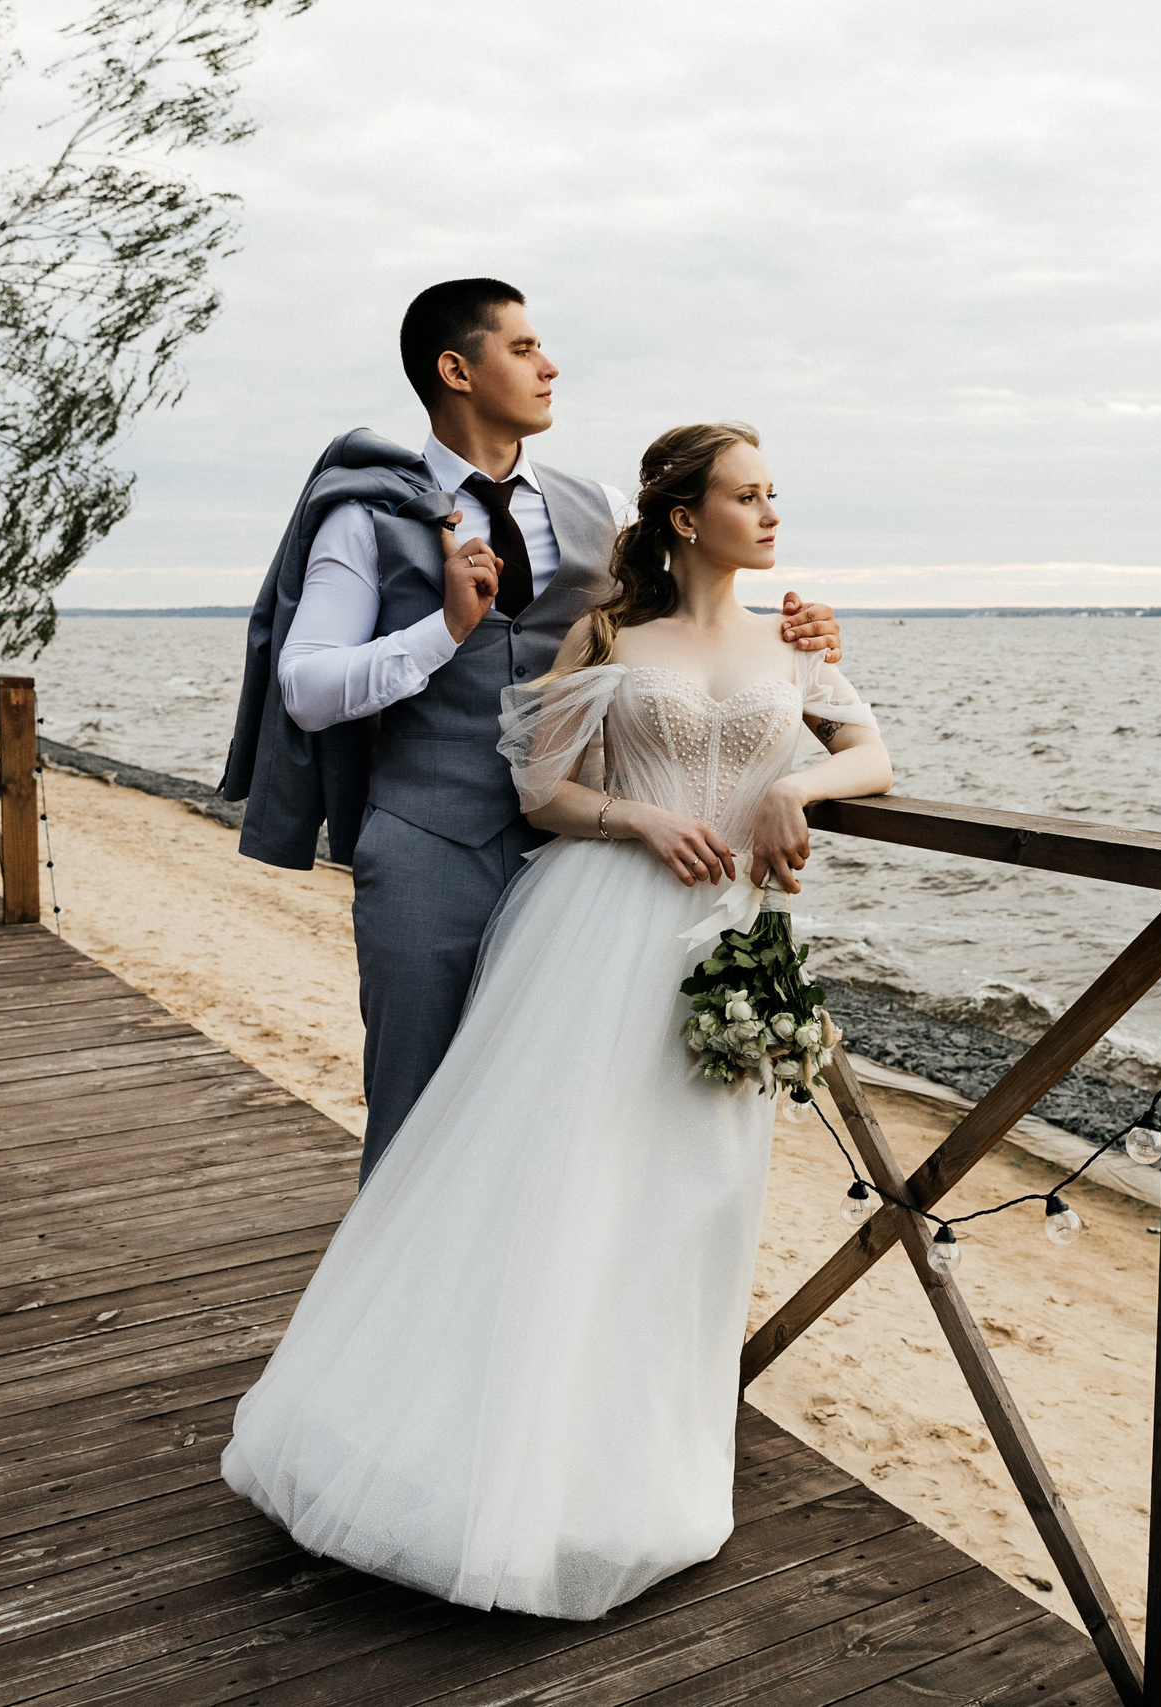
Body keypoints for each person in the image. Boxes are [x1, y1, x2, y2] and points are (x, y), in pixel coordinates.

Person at [220, 422, 893, 1621]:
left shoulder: (791, 638)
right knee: (561, 1184)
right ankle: (479, 1453)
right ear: (685, 517)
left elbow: (872, 753)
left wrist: (795, 784)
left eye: (773, 493)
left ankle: (632, 1468)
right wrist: (641, 820)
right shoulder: (608, 633)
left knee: (689, 1201)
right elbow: (544, 790)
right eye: (749, 495)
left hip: (729, 946)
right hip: (599, 933)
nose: (771, 513)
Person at [218, 279, 842, 1178]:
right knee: (415, 1103)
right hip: (431, 850)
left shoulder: (599, 508)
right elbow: (306, 687)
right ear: (456, 370)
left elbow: (691, 604)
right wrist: (443, 631)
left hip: (585, 868)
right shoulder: (367, 516)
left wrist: (803, 632)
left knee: (562, 1117)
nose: (550, 366)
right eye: (523, 348)